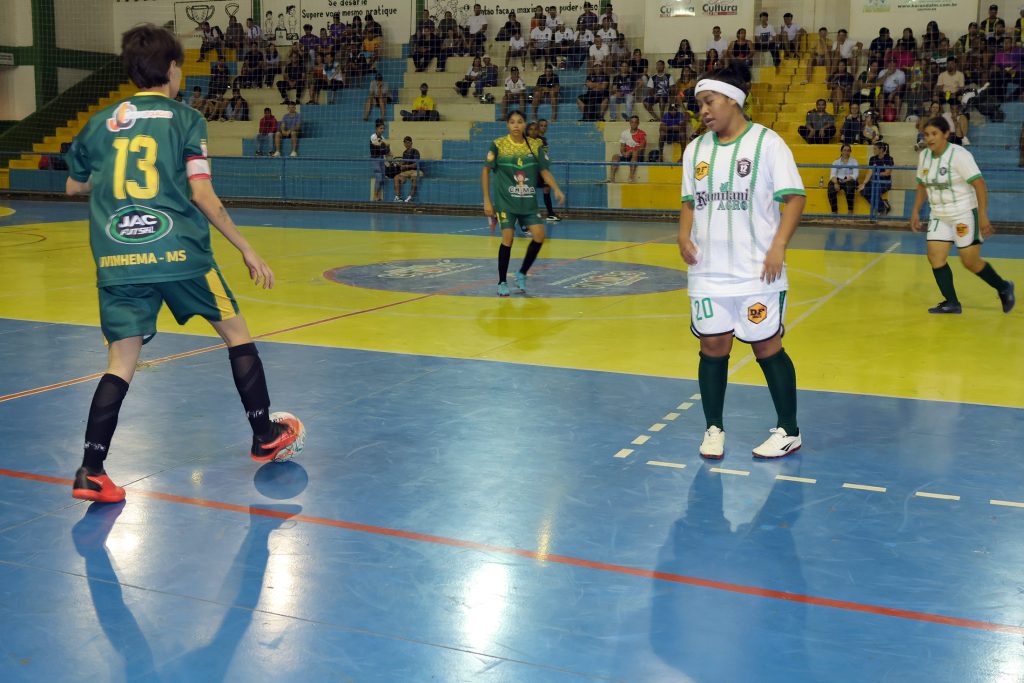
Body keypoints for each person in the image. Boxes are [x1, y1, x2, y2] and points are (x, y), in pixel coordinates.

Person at [63, 25, 303, 503]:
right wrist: (245, 247)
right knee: (236, 333)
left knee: (122, 360)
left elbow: (74, 187)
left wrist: (114, 178)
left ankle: (91, 469)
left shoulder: (100, 121)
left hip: (118, 256)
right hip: (180, 252)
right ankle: (264, 434)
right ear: (173, 69)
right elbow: (202, 194)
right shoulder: (186, 119)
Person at [678, 63, 806, 460]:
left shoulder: (768, 144)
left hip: (756, 272)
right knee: (713, 345)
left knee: (767, 345)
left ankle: (789, 430)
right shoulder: (694, 150)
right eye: (700, 104)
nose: (703, 111)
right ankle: (713, 428)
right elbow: (688, 202)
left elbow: (795, 198)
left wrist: (778, 246)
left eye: (709, 101)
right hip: (708, 272)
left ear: (732, 100)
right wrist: (683, 234)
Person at [910, 115, 1015, 314]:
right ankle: (952, 302)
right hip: (939, 214)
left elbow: (979, 185)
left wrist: (983, 215)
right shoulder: (924, 156)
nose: (930, 138)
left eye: (934, 134)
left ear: (946, 134)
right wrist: (915, 210)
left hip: (963, 213)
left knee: (969, 261)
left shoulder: (959, 155)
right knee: (935, 257)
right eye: (926, 134)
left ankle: (1003, 287)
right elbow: (922, 185)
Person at [482, 110, 565, 297]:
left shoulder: (535, 145)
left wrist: (556, 189)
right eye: (512, 122)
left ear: (524, 124)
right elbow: (485, 171)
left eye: (519, 122)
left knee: (539, 236)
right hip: (506, 202)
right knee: (508, 238)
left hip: (527, 201)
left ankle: (521, 273)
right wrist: (487, 200)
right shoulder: (498, 144)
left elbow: (544, 171)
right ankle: (502, 281)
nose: (516, 125)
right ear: (507, 125)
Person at [608, 114, 646, 183]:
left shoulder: (642, 133)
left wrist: (631, 151)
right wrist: (624, 153)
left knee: (635, 152)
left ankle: (631, 178)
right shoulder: (624, 133)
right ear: (630, 123)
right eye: (632, 122)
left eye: (635, 122)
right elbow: (622, 147)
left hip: (638, 156)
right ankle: (612, 178)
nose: (633, 124)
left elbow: (642, 148)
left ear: (638, 123)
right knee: (615, 156)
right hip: (627, 155)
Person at [858, 141, 892, 214]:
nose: (873, 150)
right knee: (863, 191)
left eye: (875, 149)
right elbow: (869, 172)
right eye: (873, 149)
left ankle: (882, 210)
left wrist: (876, 173)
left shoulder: (888, 158)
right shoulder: (872, 158)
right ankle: (883, 206)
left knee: (874, 189)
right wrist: (864, 183)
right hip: (874, 181)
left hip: (885, 182)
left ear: (881, 149)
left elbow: (887, 173)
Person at [828, 144, 859, 213]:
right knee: (831, 190)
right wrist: (836, 183)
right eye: (844, 150)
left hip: (850, 180)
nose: (846, 152)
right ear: (841, 151)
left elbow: (855, 174)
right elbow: (832, 174)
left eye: (848, 150)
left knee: (850, 188)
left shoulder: (854, 161)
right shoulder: (835, 162)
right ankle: (834, 211)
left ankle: (850, 211)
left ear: (850, 152)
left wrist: (846, 179)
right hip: (838, 180)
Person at [392, 136, 422, 202]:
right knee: (396, 177)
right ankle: (397, 197)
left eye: (408, 142)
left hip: (416, 170)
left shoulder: (415, 151)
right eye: (405, 143)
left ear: (411, 143)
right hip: (407, 172)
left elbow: (416, 164)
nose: (406, 144)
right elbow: (404, 163)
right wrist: (401, 165)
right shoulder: (404, 152)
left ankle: (409, 197)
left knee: (414, 178)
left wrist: (406, 166)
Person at [369, 119, 390, 201]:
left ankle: (377, 195)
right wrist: (384, 143)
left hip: (381, 158)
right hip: (375, 159)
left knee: (383, 177)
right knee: (379, 177)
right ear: (376, 128)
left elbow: (384, 150)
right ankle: (375, 196)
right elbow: (377, 144)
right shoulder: (373, 136)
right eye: (381, 128)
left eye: (383, 128)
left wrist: (388, 151)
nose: (382, 130)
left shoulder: (382, 138)